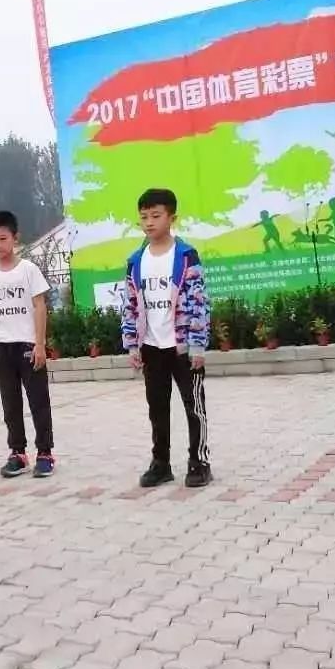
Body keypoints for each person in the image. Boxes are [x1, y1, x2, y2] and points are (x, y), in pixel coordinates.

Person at [122, 188, 212, 489]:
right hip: (152, 346)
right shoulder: (136, 260)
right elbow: (131, 304)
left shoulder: (186, 256)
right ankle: (160, 463)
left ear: (172, 217)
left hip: (183, 346)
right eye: (144, 217)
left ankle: (199, 462)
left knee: (193, 406)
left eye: (156, 216)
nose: (149, 222)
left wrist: (198, 344)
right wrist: (133, 343)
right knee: (157, 408)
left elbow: (199, 301)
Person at [0, 210, 55, 479]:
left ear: (15, 239)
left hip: (27, 344)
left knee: (38, 401)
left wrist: (39, 344)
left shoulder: (28, 270)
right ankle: (18, 453)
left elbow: (39, 306)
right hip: (2, 347)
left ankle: (45, 453)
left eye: (3, 238)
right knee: (10, 404)